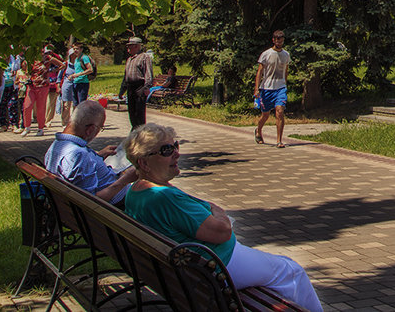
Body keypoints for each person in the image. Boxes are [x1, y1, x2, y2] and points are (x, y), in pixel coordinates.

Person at [124, 123, 322, 311]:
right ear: (144, 162)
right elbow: (222, 232)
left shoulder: (136, 191)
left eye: (175, 145)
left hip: (183, 271)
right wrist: (218, 212)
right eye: (166, 150)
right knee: (291, 271)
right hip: (215, 268)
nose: (176, 153)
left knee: (280, 269)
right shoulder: (166, 198)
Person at [44, 100, 138, 206]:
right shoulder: (78, 155)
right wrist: (125, 180)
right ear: (90, 129)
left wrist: (98, 156)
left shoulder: (57, 145)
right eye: (100, 128)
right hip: (117, 205)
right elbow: (91, 202)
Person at [254, 31, 290, 148]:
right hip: (267, 88)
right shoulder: (266, 54)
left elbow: (285, 70)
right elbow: (259, 72)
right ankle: (258, 130)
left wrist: (285, 83)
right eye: (277, 40)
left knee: (279, 111)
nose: (279, 42)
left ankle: (279, 140)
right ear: (273, 40)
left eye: (281, 40)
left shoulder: (286, 55)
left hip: (280, 87)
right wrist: (256, 89)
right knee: (265, 115)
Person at [120, 37, 154, 128]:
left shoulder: (144, 57)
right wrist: (122, 90)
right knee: (132, 112)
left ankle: (141, 132)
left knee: (139, 113)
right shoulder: (129, 59)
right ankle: (135, 130)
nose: (128, 50)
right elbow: (125, 76)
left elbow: (148, 74)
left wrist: (146, 88)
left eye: (130, 47)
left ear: (136, 46)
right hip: (130, 88)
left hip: (140, 87)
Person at [61, 43, 95, 126]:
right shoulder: (76, 59)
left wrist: (77, 75)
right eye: (74, 49)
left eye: (77, 49)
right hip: (75, 82)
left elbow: (90, 69)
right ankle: (76, 122)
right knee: (75, 104)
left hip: (83, 83)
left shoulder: (84, 58)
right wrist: (73, 76)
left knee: (81, 104)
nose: (75, 50)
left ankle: (83, 123)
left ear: (81, 49)